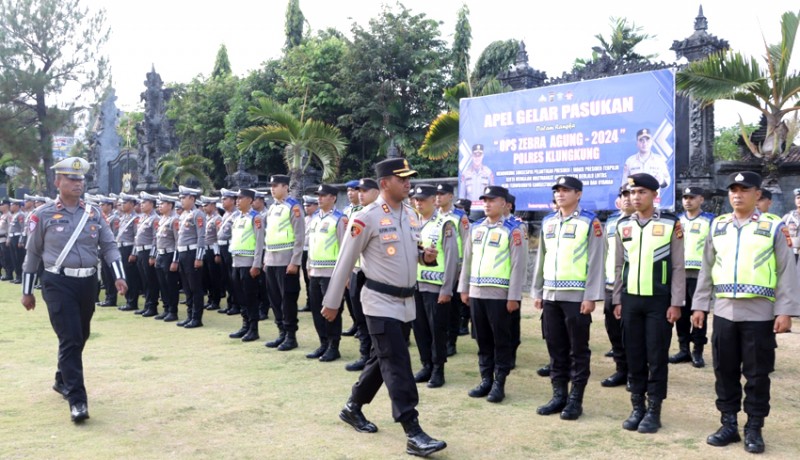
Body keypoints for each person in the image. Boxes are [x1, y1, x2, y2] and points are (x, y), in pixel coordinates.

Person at [321, 158, 447, 458]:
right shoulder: (368, 217)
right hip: (379, 303)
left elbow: (410, 250)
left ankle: (353, 407)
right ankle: (412, 431)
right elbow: (345, 260)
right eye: (401, 178)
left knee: (383, 359)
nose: (408, 183)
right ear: (384, 183)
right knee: (398, 364)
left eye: (409, 178)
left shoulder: (410, 214)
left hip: (406, 302)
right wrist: (332, 302)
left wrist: (425, 256)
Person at [692, 171, 800, 454]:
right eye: (733, 190)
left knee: (757, 374)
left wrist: (785, 311)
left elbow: (786, 271)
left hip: (759, 313)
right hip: (725, 311)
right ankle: (728, 424)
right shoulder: (718, 225)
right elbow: (707, 268)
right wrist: (700, 305)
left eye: (744, 189)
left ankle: (754, 427)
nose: (737, 194)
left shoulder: (773, 226)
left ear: (757, 194)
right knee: (724, 371)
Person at [21, 157, 128, 423]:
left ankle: (61, 378)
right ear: (58, 182)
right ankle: (77, 400)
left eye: (80, 179)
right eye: (71, 179)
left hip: (88, 282)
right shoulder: (43, 214)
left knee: (80, 335)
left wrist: (119, 277)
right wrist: (27, 291)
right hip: (57, 283)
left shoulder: (93, 213)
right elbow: (33, 253)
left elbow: (109, 246)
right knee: (70, 337)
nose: (77, 183)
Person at [612, 173, 685, 434]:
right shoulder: (623, 225)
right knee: (634, 355)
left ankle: (654, 410)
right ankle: (637, 407)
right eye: (632, 193)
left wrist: (676, 302)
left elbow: (678, 266)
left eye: (641, 192)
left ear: (655, 195)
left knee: (656, 357)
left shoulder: (670, 223)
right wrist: (617, 299)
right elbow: (620, 265)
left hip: (659, 302)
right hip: (631, 300)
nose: (635, 197)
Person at [532, 176, 604, 420]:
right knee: (555, 347)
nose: (560, 194)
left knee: (578, 350)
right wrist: (538, 290)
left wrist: (591, 295)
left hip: (576, 297)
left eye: (566, 190)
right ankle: (558, 395)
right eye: (557, 191)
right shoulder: (548, 222)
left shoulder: (589, 222)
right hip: (551, 295)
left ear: (578, 194)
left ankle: (576, 400)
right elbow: (542, 257)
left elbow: (596, 261)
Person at [459, 185, 527, 404]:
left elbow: (518, 266)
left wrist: (513, 296)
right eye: (485, 200)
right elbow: (467, 261)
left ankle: (499, 383)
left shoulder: (513, 229)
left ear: (504, 204)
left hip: (500, 296)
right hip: (477, 293)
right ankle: (485, 379)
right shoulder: (476, 227)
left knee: (501, 341)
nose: (487, 204)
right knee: (482, 339)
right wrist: (464, 288)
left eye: (492, 200)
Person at [411, 184, 458, 389]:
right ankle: (426, 365)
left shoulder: (444, 224)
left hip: (435, 286)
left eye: (422, 199)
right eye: (416, 199)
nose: (418, 203)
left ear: (433, 200)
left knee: (436, 330)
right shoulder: (411, 223)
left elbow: (451, 259)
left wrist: (447, 289)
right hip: (414, 286)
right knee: (419, 328)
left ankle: (438, 369)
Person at [670, 187, 714, 367]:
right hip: (679, 274)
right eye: (685, 197)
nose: (687, 201)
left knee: (699, 313)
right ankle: (683, 350)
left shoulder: (710, 220)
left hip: (700, 275)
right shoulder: (676, 220)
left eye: (692, 197)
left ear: (701, 199)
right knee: (680, 314)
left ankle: (698, 351)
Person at [306, 184, 348, 362]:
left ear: (333, 198)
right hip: (315, 270)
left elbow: (344, 248)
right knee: (316, 309)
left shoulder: (339, 219)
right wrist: (308, 265)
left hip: (331, 272)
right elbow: (312, 244)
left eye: (323, 195)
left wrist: (343, 274)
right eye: (318, 195)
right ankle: (323, 342)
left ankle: (333, 345)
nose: (319, 198)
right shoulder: (315, 218)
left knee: (331, 310)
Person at [263, 174, 305, 351]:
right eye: (271, 186)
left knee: (287, 299)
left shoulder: (293, 207)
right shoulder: (271, 208)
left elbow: (299, 236)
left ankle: (290, 335)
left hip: (286, 260)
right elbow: (268, 235)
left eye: (276, 185)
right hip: (271, 260)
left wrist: (295, 261)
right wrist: (265, 259)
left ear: (286, 187)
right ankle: (281, 332)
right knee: (274, 299)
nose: (273, 189)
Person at [344, 178, 380, 372]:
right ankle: (365, 354)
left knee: (373, 317)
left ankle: (376, 355)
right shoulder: (353, 213)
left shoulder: (381, 213)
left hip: (373, 273)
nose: (359, 194)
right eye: (358, 190)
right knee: (359, 315)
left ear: (377, 192)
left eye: (364, 190)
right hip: (357, 270)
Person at [600, 186, 633, 388]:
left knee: (632, 332)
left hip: (633, 287)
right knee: (613, 330)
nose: (628, 198)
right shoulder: (611, 222)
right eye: (624, 195)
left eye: (632, 194)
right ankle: (621, 369)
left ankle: (635, 373)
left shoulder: (648, 222)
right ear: (618, 200)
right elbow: (605, 253)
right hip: (611, 286)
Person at [435, 183, 470, 356]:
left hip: (456, 267)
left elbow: (466, 242)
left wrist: (464, 267)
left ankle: (451, 341)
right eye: (437, 194)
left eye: (442, 194)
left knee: (453, 307)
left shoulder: (460, 216)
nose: (438, 197)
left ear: (451, 196)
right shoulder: (433, 215)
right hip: (438, 267)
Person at [227, 189, 266, 342]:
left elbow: (259, 242)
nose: (237, 201)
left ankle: (253, 328)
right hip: (236, 261)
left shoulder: (256, 218)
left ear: (250, 200)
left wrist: (256, 264)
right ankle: (245, 325)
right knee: (240, 296)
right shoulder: (236, 218)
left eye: (240, 198)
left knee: (250, 297)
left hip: (249, 263)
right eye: (236, 198)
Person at [174, 185, 206, 328]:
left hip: (192, 253)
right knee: (186, 287)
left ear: (192, 198)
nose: (181, 200)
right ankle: (189, 315)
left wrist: (199, 257)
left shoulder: (198, 214)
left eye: (183, 197)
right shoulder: (183, 215)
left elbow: (201, 237)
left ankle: (196, 317)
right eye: (180, 198)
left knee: (195, 287)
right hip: (182, 253)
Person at [153, 193, 181, 322]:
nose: (160, 206)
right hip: (160, 254)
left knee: (171, 285)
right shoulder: (162, 219)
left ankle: (172, 311)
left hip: (170, 255)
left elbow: (177, 242)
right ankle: (166, 308)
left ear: (170, 205)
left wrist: (175, 260)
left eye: (162, 204)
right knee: (162, 284)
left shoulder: (175, 220)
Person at [133, 192, 161, 317]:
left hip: (148, 251)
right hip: (140, 251)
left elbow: (156, 239)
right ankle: (147, 305)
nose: (141, 205)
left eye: (144, 202)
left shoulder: (155, 219)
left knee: (151, 281)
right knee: (144, 280)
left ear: (151, 204)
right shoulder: (143, 218)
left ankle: (152, 306)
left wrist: (152, 255)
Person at [341, 179, 362, 336]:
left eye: (353, 190)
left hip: (360, 260)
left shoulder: (364, 210)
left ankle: (361, 325)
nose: (350, 193)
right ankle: (355, 322)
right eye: (348, 190)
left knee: (358, 295)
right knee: (349, 295)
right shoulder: (346, 211)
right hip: (347, 257)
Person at [116, 193, 142, 312]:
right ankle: (128, 300)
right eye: (121, 203)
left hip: (129, 249)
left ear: (132, 204)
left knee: (131, 277)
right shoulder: (123, 217)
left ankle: (132, 302)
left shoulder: (135, 218)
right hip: (121, 248)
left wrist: (134, 253)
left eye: (125, 203)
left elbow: (137, 237)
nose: (122, 205)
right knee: (125, 275)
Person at [215, 188, 240, 315]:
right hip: (223, 247)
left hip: (231, 248)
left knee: (233, 277)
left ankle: (236, 304)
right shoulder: (226, 214)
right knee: (226, 277)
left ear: (233, 200)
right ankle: (230, 303)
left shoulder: (237, 214)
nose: (222, 201)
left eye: (225, 199)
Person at [96, 196, 120, 307]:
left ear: (109, 206)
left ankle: (111, 298)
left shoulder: (114, 218)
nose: (100, 207)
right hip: (102, 249)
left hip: (109, 249)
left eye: (102, 205)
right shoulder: (103, 217)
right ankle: (108, 297)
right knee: (105, 275)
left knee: (111, 275)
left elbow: (115, 235)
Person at [200, 195, 223, 311]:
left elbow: (218, 237)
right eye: (203, 206)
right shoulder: (206, 218)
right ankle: (210, 299)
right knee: (207, 276)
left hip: (213, 250)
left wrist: (217, 254)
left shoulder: (217, 219)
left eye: (206, 205)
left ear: (213, 205)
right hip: (205, 249)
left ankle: (216, 300)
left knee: (214, 277)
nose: (204, 208)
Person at [300, 195, 319, 312]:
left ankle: (316, 302)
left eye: (309, 205)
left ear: (316, 206)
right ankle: (309, 302)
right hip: (304, 249)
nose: (307, 208)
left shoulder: (318, 218)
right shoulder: (305, 219)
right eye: (305, 206)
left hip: (314, 251)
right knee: (307, 278)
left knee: (313, 279)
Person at [780, 188, 800, 259]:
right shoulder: (788, 217)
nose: (799, 200)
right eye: (798, 198)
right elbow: (781, 233)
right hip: (791, 252)